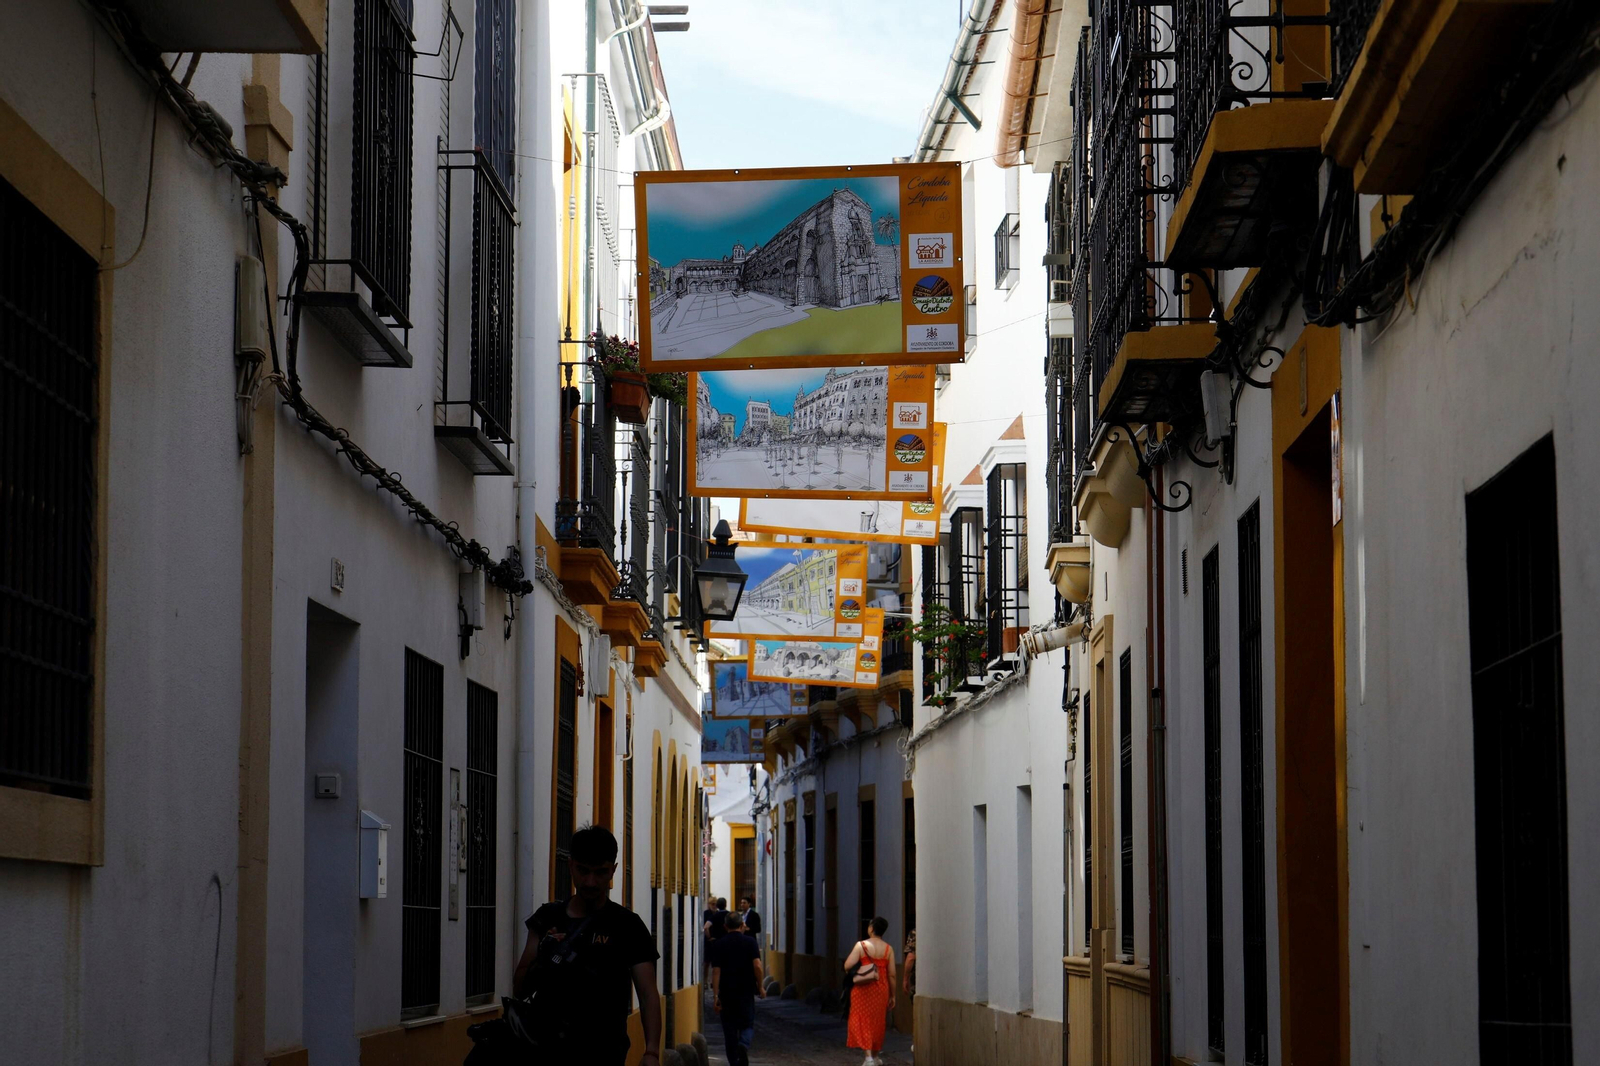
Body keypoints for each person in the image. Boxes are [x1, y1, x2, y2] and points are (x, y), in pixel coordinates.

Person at [512, 825, 662, 1066]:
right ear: (571, 865)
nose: (590, 882)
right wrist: (544, 957)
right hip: (544, 1052)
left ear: (613, 871)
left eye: (600, 872)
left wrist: (652, 1052)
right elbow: (519, 987)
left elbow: (647, 994)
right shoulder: (546, 919)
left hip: (604, 1053)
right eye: (583, 871)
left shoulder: (628, 926)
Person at [709, 912, 766, 1066]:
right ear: (742, 926)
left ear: (725, 926)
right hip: (746, 991)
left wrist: (715, 997)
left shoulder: (718, 945)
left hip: (726, 993)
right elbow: (757, 966)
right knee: (747, 1024)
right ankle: (744, 1044)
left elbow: (716, 971)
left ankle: (734, 1062)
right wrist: (760, 986)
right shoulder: (750, 942)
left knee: (729, 1031)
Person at [844, 917, 896, 1066]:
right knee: (878, 1021)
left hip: (862, 989)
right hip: (881, 989)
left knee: (861, 1020)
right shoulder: (888, 949)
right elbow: (892, 974)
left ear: (871, 928)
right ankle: (876, 1056)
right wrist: (893, 995)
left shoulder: (861, 946)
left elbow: (848, 965)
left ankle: (868, 1058)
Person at [901, 929, 917, 1053]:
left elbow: (911, 957)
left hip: (918, 981)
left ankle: (916, 1042)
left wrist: (905, 979)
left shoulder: (915, 933)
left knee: (916, 1013)